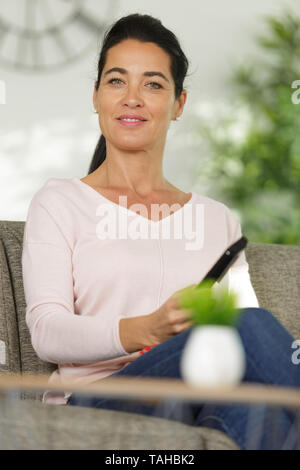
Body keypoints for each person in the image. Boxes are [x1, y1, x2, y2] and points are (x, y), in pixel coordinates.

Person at [21, 13, 300, 450]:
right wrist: (146, 330)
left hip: (194, 398)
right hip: (101, 400)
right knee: (244, 328)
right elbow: (47, 331)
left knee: (258, 408)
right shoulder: (59, 202)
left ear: (179, 103)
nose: (132, 98)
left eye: (152, 84)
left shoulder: (217, 218)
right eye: (116, 81)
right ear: (96, 96)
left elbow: (251, 360)